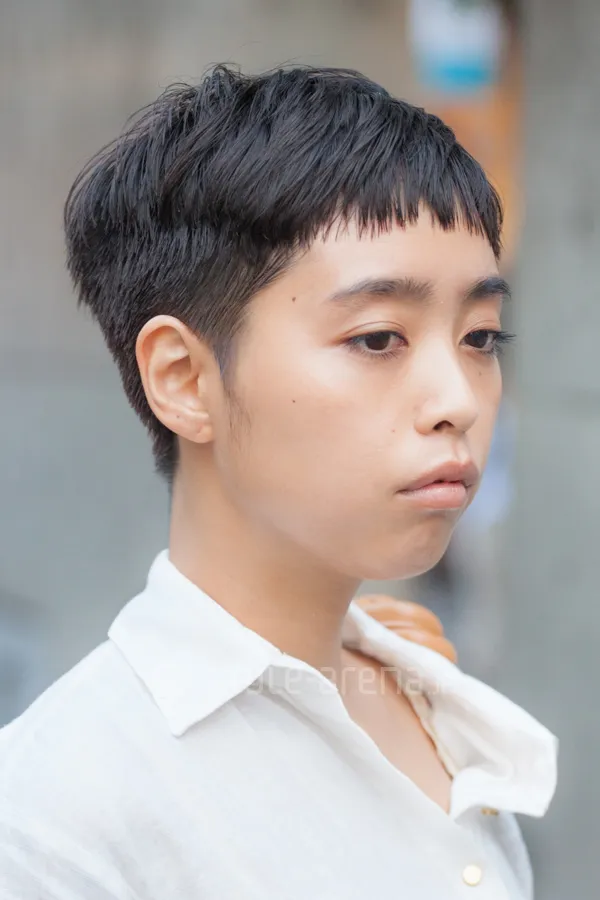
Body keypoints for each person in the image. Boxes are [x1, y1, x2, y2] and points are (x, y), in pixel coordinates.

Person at [0, 65, 556, 899]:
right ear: (184, 380)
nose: (458, 401)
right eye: (378, 338)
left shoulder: (429, 694)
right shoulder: (56, 814)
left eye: (480, 337)